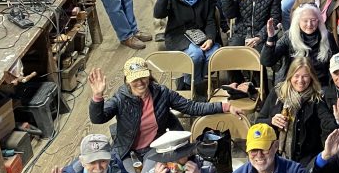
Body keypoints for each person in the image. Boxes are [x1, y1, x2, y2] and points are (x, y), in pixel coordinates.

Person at [88, 60, 232, 166]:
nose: (140, 82)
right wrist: (97, 96)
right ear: (127, 80)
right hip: (127, 151)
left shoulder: (162, 93)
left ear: (149, 76)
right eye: (134, 79)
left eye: (143, 77)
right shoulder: (120, 98)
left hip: (154, 147)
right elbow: (98, 118)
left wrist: (224, 106)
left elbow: (192, 107)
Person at [153, 0, 219, 91]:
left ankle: (188, 81)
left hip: (202, 34)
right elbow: (158, 14)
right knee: (196, 54)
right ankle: (194, 86)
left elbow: (210, 20)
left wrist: (211, 38)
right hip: (178, 35)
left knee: (214, 54)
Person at [261, 3, 334, 84]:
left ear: (319, 21)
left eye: (313, 20)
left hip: (319, 84)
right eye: (305, 21)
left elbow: (335, 64)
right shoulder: (289, 36)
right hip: (291, 84)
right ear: (298, 21)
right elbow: (267, 61)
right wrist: (270, 37)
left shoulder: (327, 37)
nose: (309, 24)